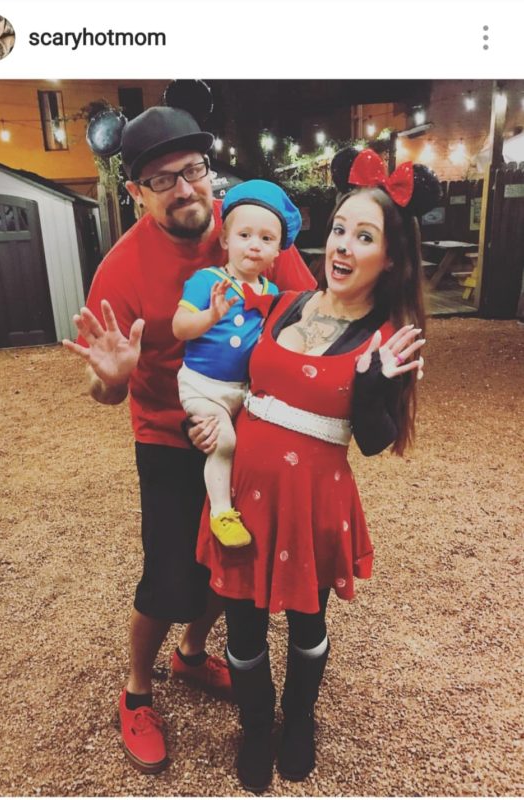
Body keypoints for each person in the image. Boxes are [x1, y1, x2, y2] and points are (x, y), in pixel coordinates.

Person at [62, 105, 316, 774]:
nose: (184, 189)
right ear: (136, 193)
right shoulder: (120, 270)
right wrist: (111, 380)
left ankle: (194, 655)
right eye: (162, 178)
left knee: (230, 565)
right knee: (170, 577)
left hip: (251, 426)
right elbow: (103, 390)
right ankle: (138, 690)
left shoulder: (249, 227)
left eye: (194, 170)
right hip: (167, 435)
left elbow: (308, 319)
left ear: (211, 170)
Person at [195, 147, 442, 792]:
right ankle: (255, 723)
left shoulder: (388, 336)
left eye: (364, 236)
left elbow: (376, 442)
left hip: (314, 501)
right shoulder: (282, 303)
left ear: (389, 259)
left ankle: (298, 718)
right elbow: (225, 371)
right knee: (243, 624)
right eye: (338, 228)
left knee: (308, 621)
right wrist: (209, 417)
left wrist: (372, 388)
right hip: (242, 497)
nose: (343, 244)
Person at [172, 180, 302, 548]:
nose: (255, 245)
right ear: (225, 240)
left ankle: (264, 515)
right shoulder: (207, 281)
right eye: (245, 234)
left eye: (266, 239)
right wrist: (210, 317)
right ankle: (221, 514)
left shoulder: (272, 293)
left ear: (278, 251)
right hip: (203, 386)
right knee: (224, 441)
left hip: (244, 392)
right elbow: (179, 328)